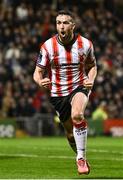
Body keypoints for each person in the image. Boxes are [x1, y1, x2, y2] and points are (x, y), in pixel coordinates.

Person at [33, 10, 97, 175]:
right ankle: (80, 153)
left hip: (79, 86)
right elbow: (37, 72)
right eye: (59, 23)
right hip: (58, 93)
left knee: (77, 115)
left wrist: (91, 79)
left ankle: (81, 158)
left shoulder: (86, 44)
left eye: (66, 22)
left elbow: (92, 66)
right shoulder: (47, 46)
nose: (62, 26)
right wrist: (40, 81)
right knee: (70, 134)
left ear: (73, 26)